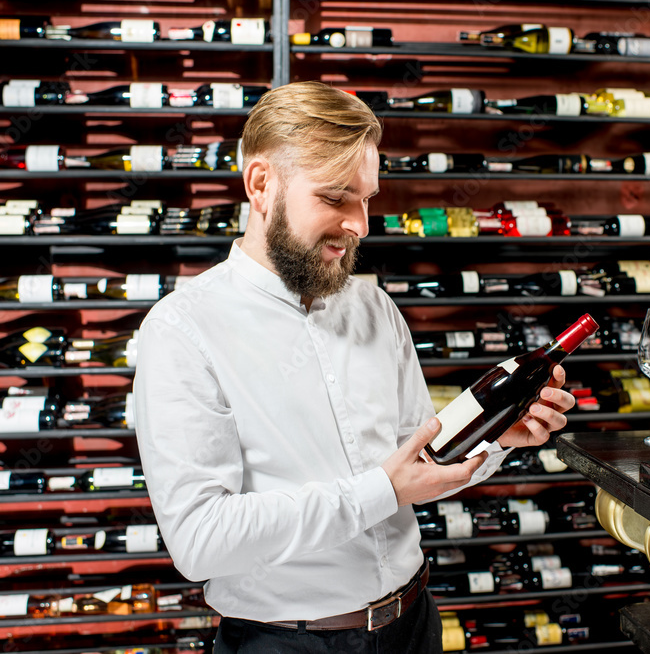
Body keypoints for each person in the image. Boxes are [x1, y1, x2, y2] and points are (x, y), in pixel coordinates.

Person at [133, 80, 577, 653]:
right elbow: (201, 541)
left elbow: (416, 468)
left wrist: (493, 439)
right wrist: (379, 491)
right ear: (262, 184)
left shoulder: (373, 307)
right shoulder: (182, 330)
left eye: (366, 198)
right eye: (336, 197)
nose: (360, 224)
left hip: (414, 624)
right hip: (287, 644)